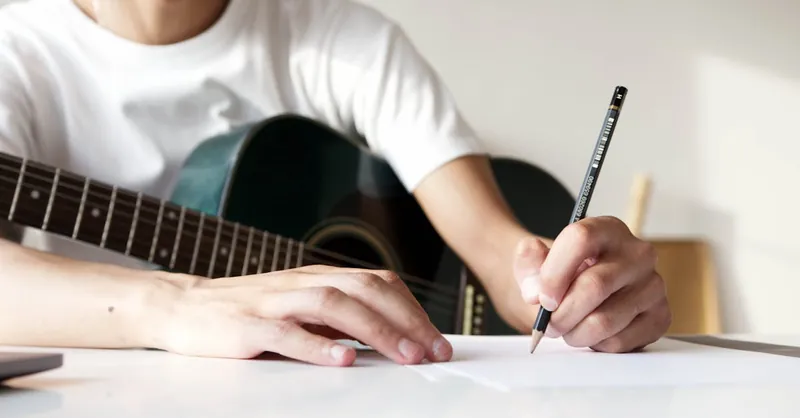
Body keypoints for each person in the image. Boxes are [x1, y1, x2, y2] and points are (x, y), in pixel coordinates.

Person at [0, 0, 671, 367]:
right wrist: (180, 302)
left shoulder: (340, 35)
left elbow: (499, 258)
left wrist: (576, 290)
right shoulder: (16, 46)